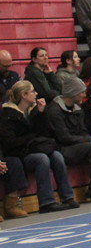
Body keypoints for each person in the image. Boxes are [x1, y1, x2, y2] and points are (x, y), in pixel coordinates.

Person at [0, 81, 79, 214]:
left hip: (36, 148)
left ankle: (67, 196)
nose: (36, 94)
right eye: (32, 91)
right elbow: (9, 142)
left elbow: (44, 134)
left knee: (57, 156)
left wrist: (41, 114)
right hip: (20, 154)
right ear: (24, 95)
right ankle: (46, 202)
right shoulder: (8, 115)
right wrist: (31, 138)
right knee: (42, 159)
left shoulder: (33, 111)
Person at [46, 76, 91, 203]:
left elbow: (83, 131)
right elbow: (64, 137)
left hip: (78, 144)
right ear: (73, 92)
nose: (84, 95)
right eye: (82, 92)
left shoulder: (77, 108)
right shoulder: (54, 111)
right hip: (62, 148)